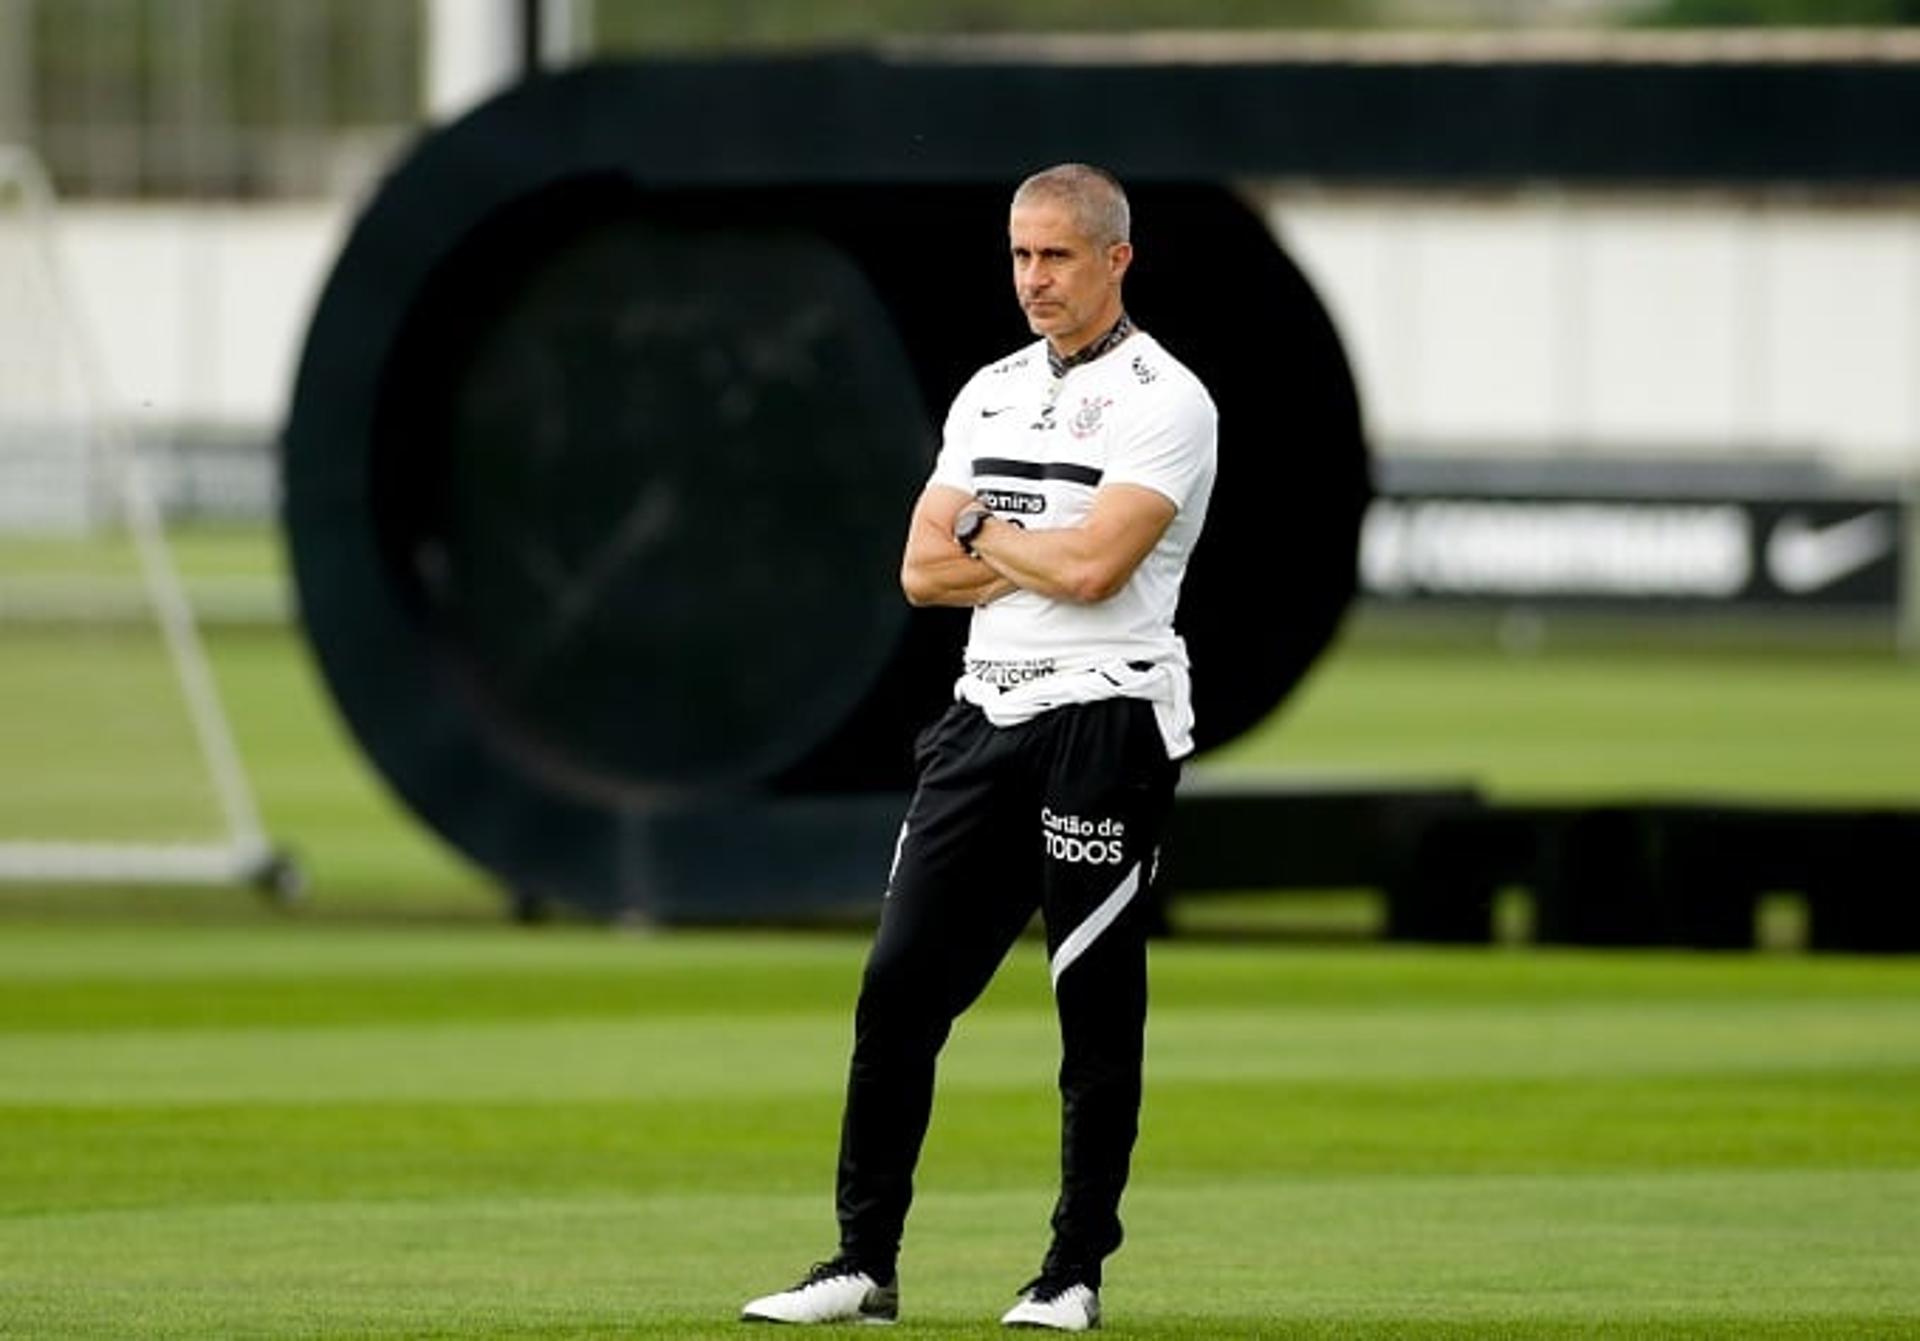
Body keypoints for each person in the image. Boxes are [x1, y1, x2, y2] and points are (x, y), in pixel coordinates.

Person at [741, 163, 1217, 1332]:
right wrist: (1033, 544)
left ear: (1116, 259)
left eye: (1056, 256)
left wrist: (990, 529)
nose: (1033, 279)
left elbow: (1097, 571)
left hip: (1106, 718)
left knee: (1092, 1009)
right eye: (1019, 255)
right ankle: (862, 1264)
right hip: (983, 711)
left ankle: (1070, 1275)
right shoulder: (989, 392)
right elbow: (919, 573)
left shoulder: (1169, 399)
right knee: (897, 990)